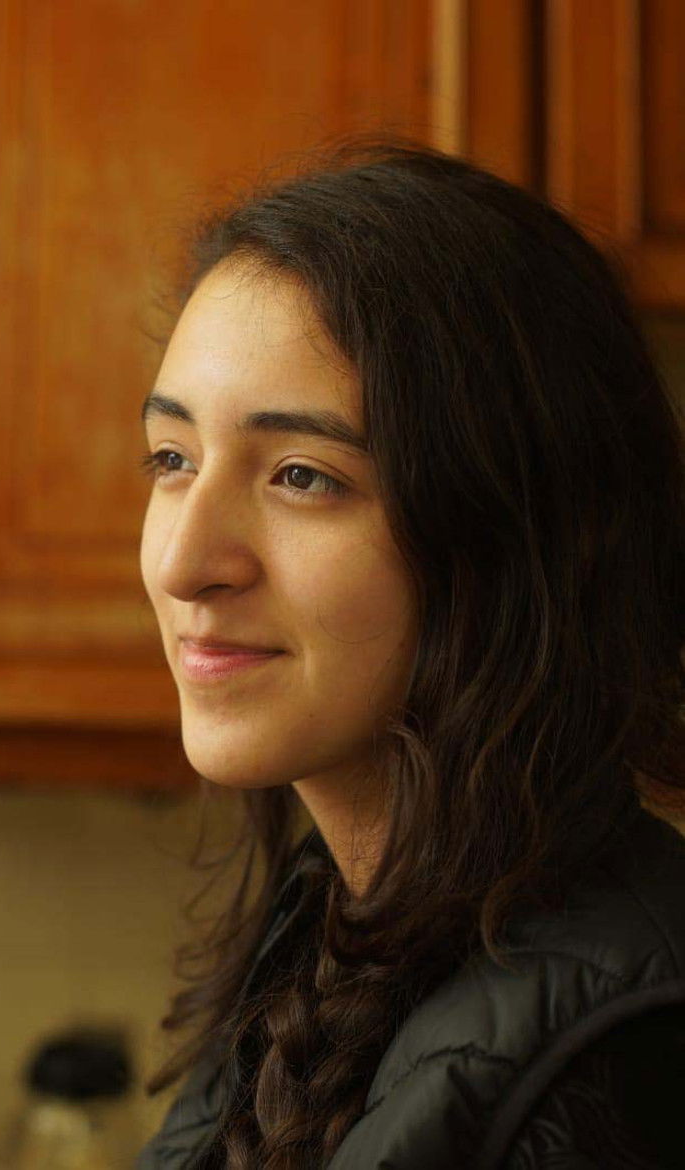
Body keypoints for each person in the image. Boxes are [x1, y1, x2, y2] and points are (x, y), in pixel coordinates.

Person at [134, 136, 685, 1169]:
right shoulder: (322, 940)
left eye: (302, 475)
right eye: (173, 457)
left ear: (511, 536)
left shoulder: (617, 1054)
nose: (182, 563)